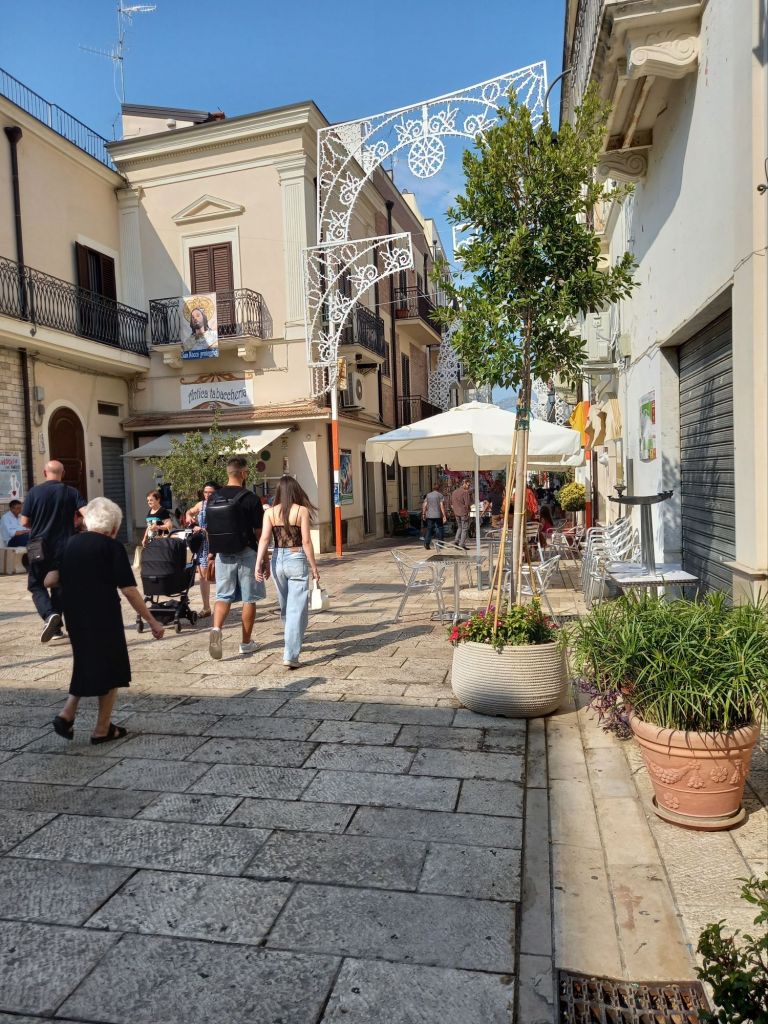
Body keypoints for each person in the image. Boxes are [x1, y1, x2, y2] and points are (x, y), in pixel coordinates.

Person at [51, 497, 164, 744]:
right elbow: (129, 590)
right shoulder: (111, 547)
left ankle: (67, 714)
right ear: (113, 527)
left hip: (75, 614)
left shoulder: (69, 543)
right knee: (112, 668)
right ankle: (102, 729)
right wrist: (152, 621)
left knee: (86, 661)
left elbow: (52, 578)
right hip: (103, 614)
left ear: (88, 521)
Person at [255, 475, 319, 669]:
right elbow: (306, 541)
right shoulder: (301, 511)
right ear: (296, 491)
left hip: (277, 560)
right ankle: (291, 653)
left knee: (286, 607)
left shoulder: (270, 512)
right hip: (296, 557)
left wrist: (258, 563)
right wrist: (314, 567)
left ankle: (293, 640)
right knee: (296, 608)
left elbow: (264, 539)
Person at [21, 460, 86, 643]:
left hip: (38, 546)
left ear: (44, 473)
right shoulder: (71, 492)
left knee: (36, 585)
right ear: (63, 474)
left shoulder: (34, 492)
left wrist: (38, 526)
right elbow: (87, 513)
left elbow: (24, 521)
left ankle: (49, 615)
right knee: (59, 585)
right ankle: (56, 628)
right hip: (65, 546)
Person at [206, 456, 265, 660]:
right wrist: (264, 557)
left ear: (228, 473)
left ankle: (216, 629)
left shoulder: (213, 498)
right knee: (249, 598)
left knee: (223, 596)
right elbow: (259, 532)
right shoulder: (251, 498)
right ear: (244, 473)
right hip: (246, 551)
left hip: (222, 553)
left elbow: (210, 528)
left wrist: (211, 554)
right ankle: (246, 643)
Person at [185, 480, 219, 617]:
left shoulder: (219, 504)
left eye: (211, 492)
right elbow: (189, 512)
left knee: (218, 575)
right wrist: (189, 517)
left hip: (216, 542)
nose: (207, 495)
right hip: (203, 543)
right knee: (203, 576)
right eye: (205, 492)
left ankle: (221, 605)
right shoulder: (201, 504)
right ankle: (206, 607)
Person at [422, 483, 446, 550]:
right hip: (438, 515)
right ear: (439, 488)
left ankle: (427, 543)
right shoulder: (440, 495)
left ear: (433, 488)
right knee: (440, 528)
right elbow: (441, 506)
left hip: (429, 515)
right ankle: (440, 544)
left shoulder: (428, 495)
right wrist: (444, 515)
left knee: (429, 529)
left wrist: (423, 514)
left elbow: (425, 505)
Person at [450, 479, 473, 549]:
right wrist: (469, 510)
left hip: (456, 512)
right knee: (464, 528)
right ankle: (462, 544)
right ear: (464, 484)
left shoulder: (454, 492)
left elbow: (451, 503)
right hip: (464, 512)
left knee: (459, 527)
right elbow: (467, 504)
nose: (469, 487)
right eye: (468, 485)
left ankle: (456, 541)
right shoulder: (465, 492)